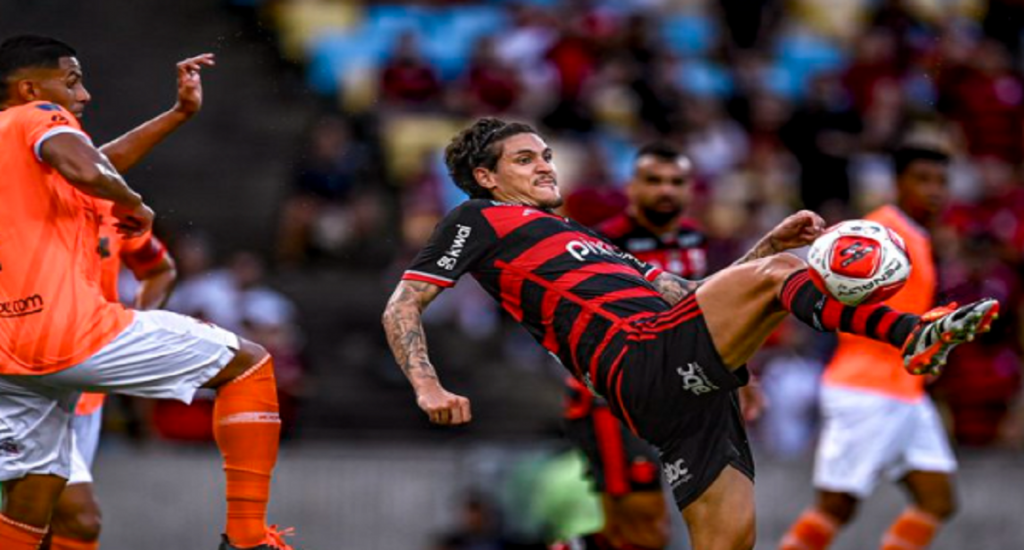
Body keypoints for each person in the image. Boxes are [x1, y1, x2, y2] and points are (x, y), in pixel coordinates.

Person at [381, 118, 999, 550]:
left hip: (682, 389)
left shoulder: (589, 240)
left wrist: (767, 248)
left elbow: (697, 300)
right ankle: (909, 331)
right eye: (525, 159)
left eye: (546, 154)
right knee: (782, 277)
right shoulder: (479, 217)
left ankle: (906, 328)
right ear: (486, 178)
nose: (545, 166)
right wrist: (428, 385)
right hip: (637, 356)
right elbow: (403, 304)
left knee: (730, 541)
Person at [0, 35, 297, 550]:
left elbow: (93, 163)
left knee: (37, 497)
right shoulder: (37, 116)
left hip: (9, 350)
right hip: (69, 332)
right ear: (30, 88)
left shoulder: (14, 155)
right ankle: (248, 538)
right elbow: (86, 167)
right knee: (250, 365)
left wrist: (177, 114)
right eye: (73, 81)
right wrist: (134, 202)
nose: (84, 95)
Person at [42, 52, 213, 550]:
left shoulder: (101, 206)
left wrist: (129, 326)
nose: (84, 98)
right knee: (77, 517)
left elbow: (159, 268)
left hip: (83, 386)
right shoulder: (25, 188)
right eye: (72, 84)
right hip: (28, 363)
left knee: (58, 521)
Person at [562, 143, 761, 550]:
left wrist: (743, 377)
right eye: (654, 181)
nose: (665, 191)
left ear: (690, 190)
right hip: (612, 400)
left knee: (630, 536)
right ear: (631, 188)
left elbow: (707, 317)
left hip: (671, 395)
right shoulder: (602, 244)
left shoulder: (695, 239)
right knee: (644, 530)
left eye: (676, 182)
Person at [778, 146, 961, 550]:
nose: (934, 190)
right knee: (834, 508)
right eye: (923, 178)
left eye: (941, 181)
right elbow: (835, 301)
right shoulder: (876, 236)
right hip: (866, 387)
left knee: (938, 501)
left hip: (905, 390)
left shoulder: (917, 236)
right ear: (898, 182)